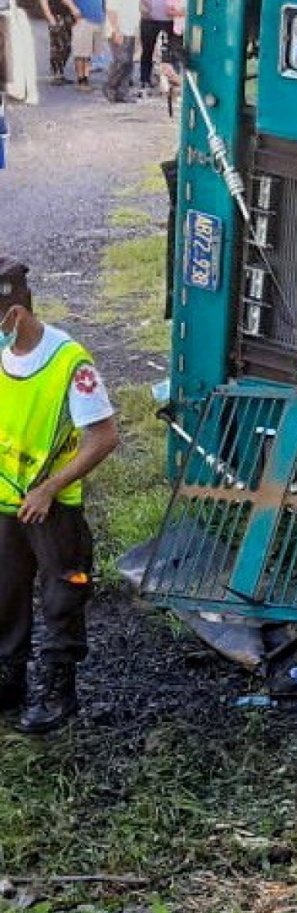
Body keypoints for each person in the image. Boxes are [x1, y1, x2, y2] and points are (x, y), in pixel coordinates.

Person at [0, 256, 120, 735]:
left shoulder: (70, 362)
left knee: (61, 594)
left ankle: (57, 690)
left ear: (15, 316)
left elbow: (104, 436)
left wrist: (51, 487)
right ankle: (8, 681)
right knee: (4, 594)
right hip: (6, 501)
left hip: (53, 507)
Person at [36, 0, 80, 85]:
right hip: (56, 16)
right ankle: (57, 75)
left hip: (68, 15)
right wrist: (49, 17)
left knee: (67, 46)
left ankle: (59, 73)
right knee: (58, 46)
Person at [102, 0, 138, 102]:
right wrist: (116, 31)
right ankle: (109, 86)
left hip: (130, 30)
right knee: (122, 60)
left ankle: (122, 93)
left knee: (129, 64)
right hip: (119, 31)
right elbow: (111, 11)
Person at [71, 0, 105, 90]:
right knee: (80, 53)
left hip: (98, 20)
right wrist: (73, 8)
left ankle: (86, 79)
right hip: (84, 19)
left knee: (88, 53)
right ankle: (81, 81)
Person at [137, 0, 168, 93]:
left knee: (167, 52)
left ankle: (167, 81)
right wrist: (144, 9)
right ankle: (145, 79)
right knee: (147, 50)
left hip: (168, 20)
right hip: (148, 19)